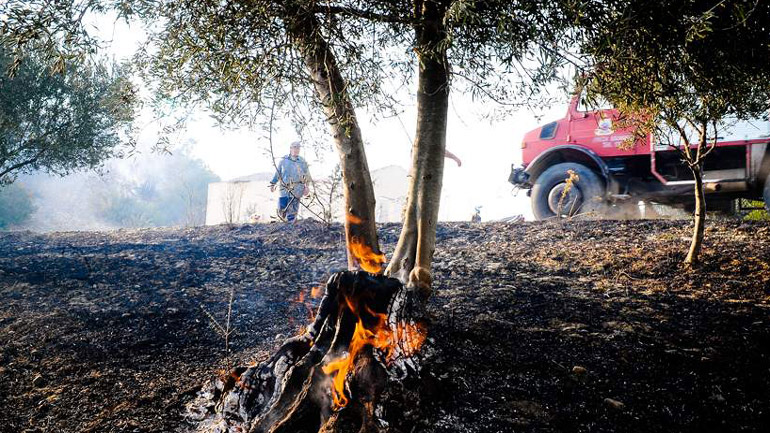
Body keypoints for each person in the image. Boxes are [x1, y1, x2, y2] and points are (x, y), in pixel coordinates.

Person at [269, 141, 311, 222]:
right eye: (294, 147)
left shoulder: (302, 161)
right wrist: (273, 183)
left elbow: (307, 176)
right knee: (282, 208)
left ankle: (291, 227)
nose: (296, 149)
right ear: (290, 149)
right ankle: (281, 224)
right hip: (284, 188)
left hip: (297, 188)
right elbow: (278, 173)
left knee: (292, 213)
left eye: (298, 148)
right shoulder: (283, 160)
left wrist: (307, 187)